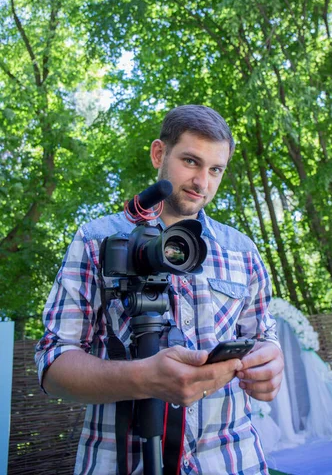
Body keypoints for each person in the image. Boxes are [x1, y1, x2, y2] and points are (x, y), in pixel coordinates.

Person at [35, 104, 284, 475]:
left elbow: (264, 340)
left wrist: (271, 363)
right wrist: (143, 378)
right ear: (159, 154)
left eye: (215, 169)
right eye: (190, 161)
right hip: (119, 462)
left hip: (234, 461)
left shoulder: (242, 252)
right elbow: (53, 366)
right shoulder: (97, 240)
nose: (203, 182)